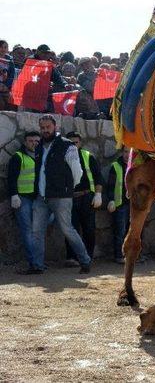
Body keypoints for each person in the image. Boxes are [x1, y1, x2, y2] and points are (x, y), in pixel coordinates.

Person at [32, 115, 92, 274]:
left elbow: (77, 172)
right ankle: (37, 266)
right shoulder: (38, 147)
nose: (45, 130)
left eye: (48, 127)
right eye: (43, 128)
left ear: (55, 127)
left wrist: (67, 188)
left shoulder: (67, 146)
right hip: (41, 197)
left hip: (61, 197)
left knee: (68, 230)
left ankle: (85, 261)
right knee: (36, 231)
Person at [64, 132, 103, 265]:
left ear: (80, 143)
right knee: (70, 229)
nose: (73, 145)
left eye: (76, 142)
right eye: (70, 143)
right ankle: (71, 258)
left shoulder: (88, 156)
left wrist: (98, 195)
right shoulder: (62, 157)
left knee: (88, 229)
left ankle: (88, 257)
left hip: (86, 197)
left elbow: (98, 177)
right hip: (69, 199)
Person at [8, 131, 41, 273]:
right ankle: (34, 264)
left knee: (38, 231)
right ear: (25, 142)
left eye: (36, 141)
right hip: (23, 199)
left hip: (38, 199)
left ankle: (38, 262)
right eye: (30, 141)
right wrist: (14, 195)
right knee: (27, 231)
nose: (34, 143)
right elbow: (11, 178)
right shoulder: (18, 157)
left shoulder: (42, 157)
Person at [106, 151, 129, 264]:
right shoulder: (115, 166)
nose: (127, 154)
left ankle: (133, 255)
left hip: (134, 204)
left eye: (129, 152)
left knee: (133, 232)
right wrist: (111, 200)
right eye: (125, 151)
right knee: (120, 231)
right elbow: (110, 185)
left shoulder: (136, 165)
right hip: (120, 204)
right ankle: (119, 255)